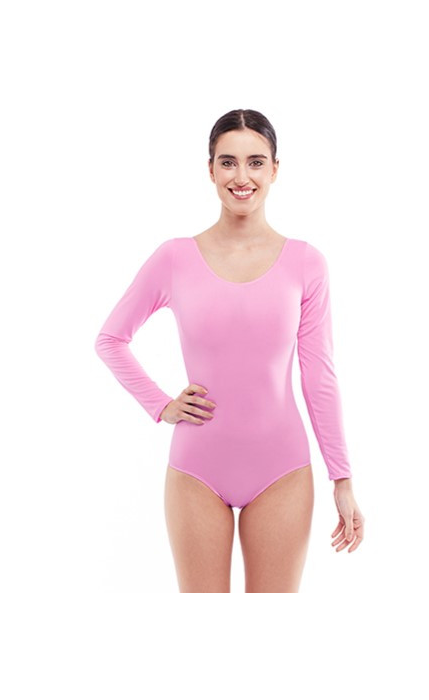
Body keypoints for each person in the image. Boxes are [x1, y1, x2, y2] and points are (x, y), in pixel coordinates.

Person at [94, 108, 365, 593]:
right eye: (228, 162)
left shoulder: (307, 263)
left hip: (282, 468)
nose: (242, 177)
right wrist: (160, 404)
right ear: (210, 169)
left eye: (256, 162)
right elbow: (111, 339)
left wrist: (341, 477)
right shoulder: (174, 257)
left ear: (275, 169)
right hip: (197, 469)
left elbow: (319, 375)